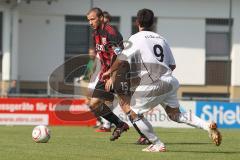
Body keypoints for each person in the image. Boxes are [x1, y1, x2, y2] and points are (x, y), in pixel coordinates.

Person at [102, 8, 222, 152]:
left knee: (133, 113)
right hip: (170, 80)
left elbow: (121, 59)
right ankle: (206, 125)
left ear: (137, 22)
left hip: (152, 82)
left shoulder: (136, 38)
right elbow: (172, 65)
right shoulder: (161, 39)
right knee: (176, 115)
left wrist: (110, 71)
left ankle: (157, 144)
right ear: (153, 23)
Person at [86, 7, 129, 140]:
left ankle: (145, 136)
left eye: (92, 19)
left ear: (100, 18)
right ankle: (120, 124)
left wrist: (112, 74)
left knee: (127, 106)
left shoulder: (111, 33)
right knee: (93, 104)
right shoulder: (95, 34)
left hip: (119, 72)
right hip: (105, 74)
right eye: (88, 20)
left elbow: (120, 56)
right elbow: (101, 55)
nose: (90, 22)